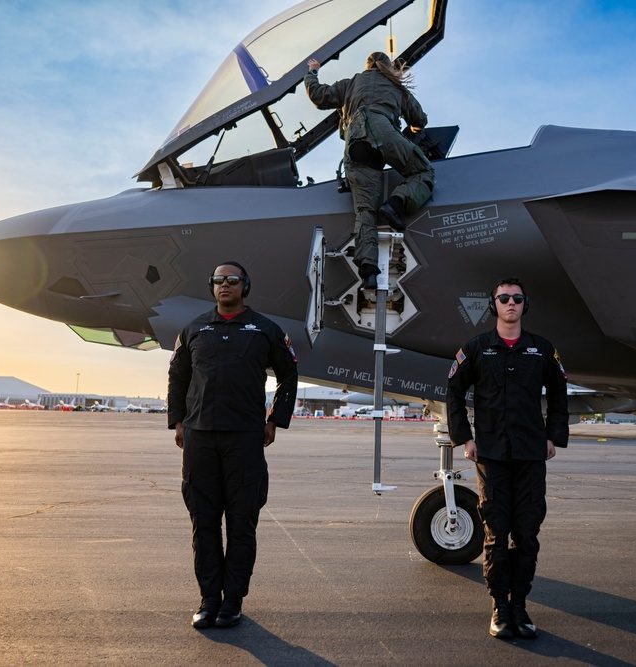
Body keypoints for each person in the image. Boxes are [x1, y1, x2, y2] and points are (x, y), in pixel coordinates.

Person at [167, 261, 298, 629]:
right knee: (203, 522)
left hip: (245, 440)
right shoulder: (194, 329)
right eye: (219, 281)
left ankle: (233, 602)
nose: (225, 285)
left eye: (233, 280)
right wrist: (177, 420)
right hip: (200, 438)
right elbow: (177, 375)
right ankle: (209, 600)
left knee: (242, 523)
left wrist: (275, 420)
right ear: (211, 287)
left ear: (245, 285)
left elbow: (289, 374)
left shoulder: (265, 330)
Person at [446, 277, 569, 640]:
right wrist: (465, 438)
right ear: (494, 305)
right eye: (504, 298)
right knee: (497, 535)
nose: (511, 303)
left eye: (517, 298)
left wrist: (553, 437)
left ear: (524, 305)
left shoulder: (542, 349)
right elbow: (454, 391)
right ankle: (500, 607)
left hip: (531, 454)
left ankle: (520, 607)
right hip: (493, 456)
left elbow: (560, 393)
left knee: (527, 536)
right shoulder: (478, 348)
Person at [305, 51, 435, 289]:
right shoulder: (397, 86)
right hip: (384, 133)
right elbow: (420, 120)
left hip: (356, 144)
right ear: (387, 66)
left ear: (367, 66)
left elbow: (319, 96)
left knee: (365, 211)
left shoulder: (351, 82)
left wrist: (312, 72)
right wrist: (415, 129)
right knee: (423, 172)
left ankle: (368, 272)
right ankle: (396, 204)